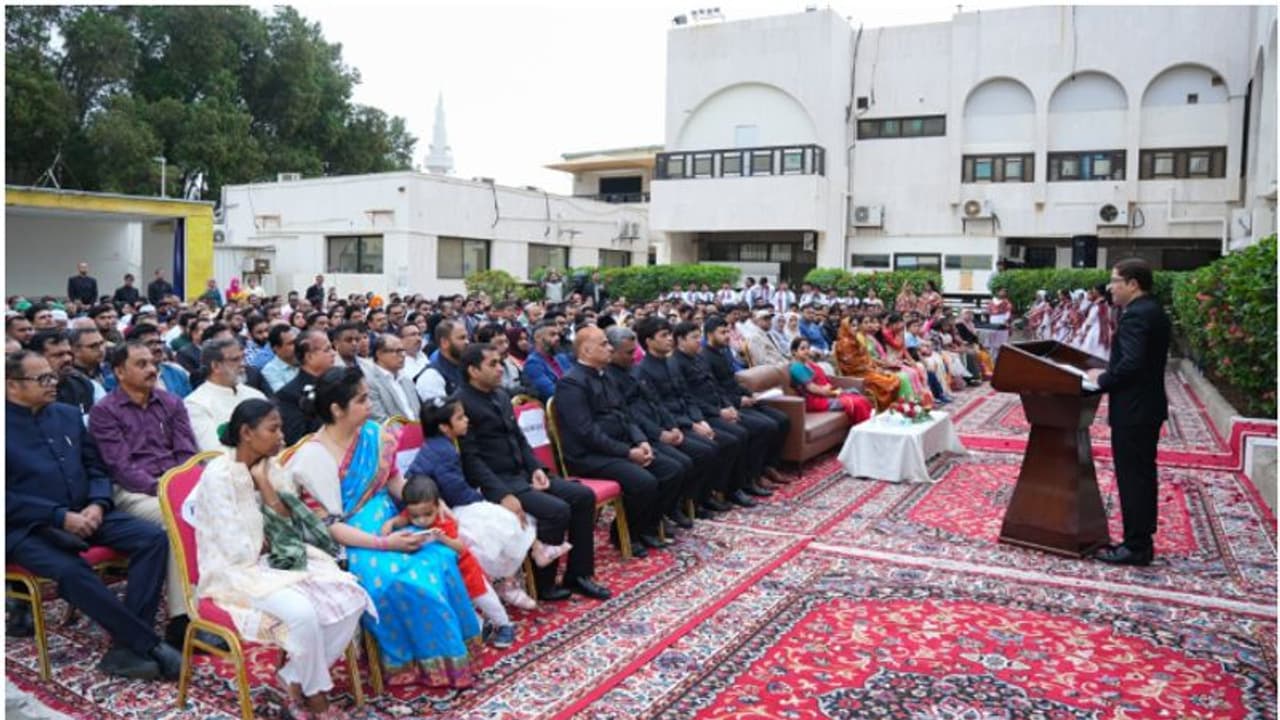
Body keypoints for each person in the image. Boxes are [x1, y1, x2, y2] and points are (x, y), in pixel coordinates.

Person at [286, 367, 482, 687]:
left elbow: (394, 481)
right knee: (400, 580)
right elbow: (329, 526)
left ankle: (449, 656)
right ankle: (412, 662)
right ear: (337, 409)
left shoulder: (374, 436)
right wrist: (385, 544)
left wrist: (430, 503)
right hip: (352, 541)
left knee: (441, 556)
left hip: (391, 521)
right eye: (362, 400)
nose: (370, 405)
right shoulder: (312, 457)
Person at [6, 350, 183, 680]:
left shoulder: (66, 414)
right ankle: (147, 643)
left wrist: (98, 503)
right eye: (42, 378)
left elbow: (96, 467)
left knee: (153, 539)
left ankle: (125, 647)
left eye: (52, 375)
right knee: (71, 571)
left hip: (86, 511)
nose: (53, 383)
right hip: (26, 527)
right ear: (11, 386)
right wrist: (58, 516)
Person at [193, 399, 373, 719]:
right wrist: (269, 542)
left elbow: (288, 532)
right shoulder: (219, 476)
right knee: (303, 613)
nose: (281, 436)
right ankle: (317, 697)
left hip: (274, 562)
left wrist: (265, 485)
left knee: (352, 596)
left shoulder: (271, 468)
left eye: (280, 428)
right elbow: (237, 549)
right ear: (246, 433)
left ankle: (292, 678)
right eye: (273, 429)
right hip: (234, 573)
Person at [456, 343, 610, 601]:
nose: (500, 369)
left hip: (522, 473)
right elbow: (471, 460)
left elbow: (519, 439)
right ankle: (543, 584)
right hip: (499, 482)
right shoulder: (462, 404)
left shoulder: (500, 395)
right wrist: (502, 494)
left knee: (582, 496)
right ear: (473, 370)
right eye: (492, 364)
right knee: (557, 510)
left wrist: (537, 468)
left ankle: (578, 574)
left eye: (499, 362)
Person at [88, 341, 208, 648]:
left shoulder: (171, 402)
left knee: (218, 510)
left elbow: (186, 453)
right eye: (141, 364)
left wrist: (184, 488)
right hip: (131, 491)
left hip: (174, 486)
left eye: (153, 362)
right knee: (177, 520)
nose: (152, 369)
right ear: (119, 372)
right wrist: (166, 491)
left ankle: (213, 605)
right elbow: (121, 466)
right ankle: (182, 620)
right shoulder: (105, 411)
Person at [406, 399, 556, 613]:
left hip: (448, 502)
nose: (466, 420)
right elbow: (454, 490)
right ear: (444, 427)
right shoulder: (442, 451)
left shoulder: (441, 445)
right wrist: (480, 499)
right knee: (497, 523)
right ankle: (509, 579)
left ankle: (528, 558)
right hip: (436, 511)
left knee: (502, 517)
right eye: (460, 418)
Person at [554, 326, 681, 551]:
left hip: (619, 447)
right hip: (589, 456)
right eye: (603, 344)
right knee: (643, 482)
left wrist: (641, 441)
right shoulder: (571, 383)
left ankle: (648, 526)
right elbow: (587, 432)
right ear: (586, 350)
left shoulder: (605, 376)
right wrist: (627, 452)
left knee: (671, 469)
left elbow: (626, 415)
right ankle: (625, 535)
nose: (610, 348)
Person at [1086, 258, 1171, 566]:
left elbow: (1132, 363)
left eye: (1115, 281)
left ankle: (1136, 546)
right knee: (1142, 475)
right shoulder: (1153, 310)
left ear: (1133, 284)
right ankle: (1141, 540)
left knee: (1134, 477)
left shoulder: (1136, 315)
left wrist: (1102, 380)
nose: (1110, 287)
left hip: (1134, 410)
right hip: (1147, 406)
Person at [379, 475, 518, 648]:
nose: (422, 520)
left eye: (427, 514)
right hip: (447, 575)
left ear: (438, 506)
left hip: (466, 570)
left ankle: (504, 624)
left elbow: (460, 547)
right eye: (416, 516)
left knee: (485, 599)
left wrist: (443, 539)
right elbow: (402, 519)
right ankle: (481, 626)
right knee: (461, 604)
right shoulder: (413, 514)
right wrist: (391, 522)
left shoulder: (445, 522)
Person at [605, 325, 727, 521]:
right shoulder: (611, 377)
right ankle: (668, 510)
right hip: (644, 434)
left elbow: (656, 402)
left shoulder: (635, 369)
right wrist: (658, 434)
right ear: (613, 351)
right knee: (680, 464)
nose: (634, 356)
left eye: (634, 351)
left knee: (707, 449)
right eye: (628, 353)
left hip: (662, 426)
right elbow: (630, 415)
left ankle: (689, 502)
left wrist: (674, 426)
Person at [672, 322, 776, 498]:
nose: (699, 341)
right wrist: (718, 412)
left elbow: (716, 388)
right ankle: (732, 486)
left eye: (699, 336)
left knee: (764, 425)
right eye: (694, 337)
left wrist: (729, 405)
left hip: (720, 407)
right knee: (738, 435)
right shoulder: (676, 364)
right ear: (681, 340)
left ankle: (749, 478)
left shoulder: (698, 358)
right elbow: (691, 398)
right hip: (705, 414)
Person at [701, 316, 792, 486]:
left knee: (783, 419)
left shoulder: (723, 353)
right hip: (728, 405)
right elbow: (715, 390)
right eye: (722, 332)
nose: (727, 336)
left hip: (739, 399)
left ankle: (769, 466)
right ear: (710, 334)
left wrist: (750, 394)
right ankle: (754, 475)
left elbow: (732, 382)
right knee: (765, 426)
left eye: (728, 332)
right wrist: (737, 401)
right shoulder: (704, 358)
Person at [184, 338, 267, 451]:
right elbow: (213, 452)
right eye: (235, 360)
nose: (243, 364)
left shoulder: (255, 395)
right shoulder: (196, 404)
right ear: (216, 366)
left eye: (243, 358)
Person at [789, 338, 873, 424]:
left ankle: (865, 427)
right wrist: (831, 392)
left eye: (808, 348)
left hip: (824, 395)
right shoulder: (797, 367)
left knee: (857, 395)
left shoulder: (808, 364)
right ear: (794, 352)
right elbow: (812, 388)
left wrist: (832, 390)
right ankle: (862, 428)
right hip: (815, 402)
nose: (806, 351)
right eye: (802, 349)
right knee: (855, 402)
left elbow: (823, 381)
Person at [276, 329, 337, 446]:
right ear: (309, 357)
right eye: (327, 349)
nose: (333, 353)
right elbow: (297, 440)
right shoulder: (288, 395)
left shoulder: (338, 382)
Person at [834, 316, 902, 411]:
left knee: (893, 377)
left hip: (867, 371)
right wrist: (873, 369)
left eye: (856, 325)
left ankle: (890, 408)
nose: (856, 328)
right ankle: (884, 409)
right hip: (856, 375)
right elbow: (852, 366)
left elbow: (867, 358)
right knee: (889, 381)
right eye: (852, 326)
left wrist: (876, 367)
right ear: (846, 327)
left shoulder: (855, 340)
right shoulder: (844, 344)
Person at [364, 333, 420, 423]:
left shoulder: (406, 379)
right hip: (394, 431)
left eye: (402, 350)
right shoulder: (370, 383)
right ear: (379, 354)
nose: (403, 355)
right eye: (397, 351)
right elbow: (380, 420)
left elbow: (418, 411)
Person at [416, 319, 468, 403]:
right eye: (461, 338)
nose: (467, 342)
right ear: (444, 343)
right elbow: (442, 410)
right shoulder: (431, 377)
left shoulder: (466, 366)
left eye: (467, 337)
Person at [523, 322, 570, 402]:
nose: (558, 338)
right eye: (552, 335)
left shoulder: (561, 358)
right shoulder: (533, 363)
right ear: (538, 338)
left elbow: (575, 381)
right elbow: (551, 391)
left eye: (558, 334)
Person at [262, 324, 300, 393]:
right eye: (291, 343)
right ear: (277, 348)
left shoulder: (304, 360)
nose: (297, 346)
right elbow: (284, 395)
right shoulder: (270, 370)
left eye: (296, 341)